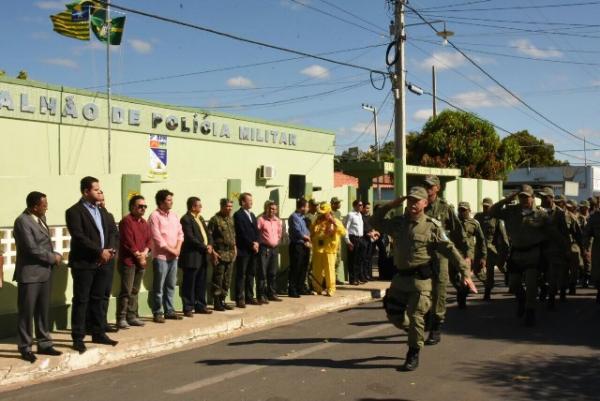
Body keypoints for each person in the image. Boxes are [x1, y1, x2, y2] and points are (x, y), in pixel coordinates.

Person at [371, 186, 475, 371]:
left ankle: (413, 353)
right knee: (393, 314)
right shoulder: (398, 223)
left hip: (421, 281)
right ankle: (414, 330)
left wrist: (465, 272)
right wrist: (394, 203)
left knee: (416, 315)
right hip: (400, 279)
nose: (412, 203)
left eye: (416, 200)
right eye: (410, 200)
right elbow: (375, 220)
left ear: (425, 203)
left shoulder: (432, 226)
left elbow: (450, 250)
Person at [489, 184, 564, 326]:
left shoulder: (541, 214)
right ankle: (521, 299)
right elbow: (492, 212)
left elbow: (554, 233)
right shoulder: (511, 211)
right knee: (514, 284)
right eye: (521, 196)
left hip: (533, 253)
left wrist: (564, 248)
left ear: (533, 197)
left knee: (531, 284)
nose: (524, 199)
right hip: (516, 253)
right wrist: (507, 199)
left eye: (527, 197)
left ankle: (530, 311)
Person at [66, 176, 119, 353]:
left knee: (98, 299)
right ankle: (78, 337)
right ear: (86, 192)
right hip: (84, 263)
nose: (99, 191)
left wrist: (110, 250)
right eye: (95, 189)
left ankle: (98, 332)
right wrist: (99, 251)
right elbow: (79, 237)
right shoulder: (74, 211)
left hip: (103, 262)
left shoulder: (102, 211)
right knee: (82, 300)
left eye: (99, 189)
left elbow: (112, 231)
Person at [13, 191, 63, 363]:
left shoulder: (40, 218)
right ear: (34, 207)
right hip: (30, 274)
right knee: (27, 313)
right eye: (44, 205)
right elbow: (31, 248)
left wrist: (54, 253)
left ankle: (44, 343)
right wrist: (53, 257)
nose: (46, 208)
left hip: (45, 273)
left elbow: (44, 244)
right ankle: (25, 347)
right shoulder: (22, 222)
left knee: (43, 311)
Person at [422, 175, 469, 346]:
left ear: (437, 188)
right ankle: (427, 316)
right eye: (425, 185)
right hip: (423, 256)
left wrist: (465, 254)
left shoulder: (445, 208)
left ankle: (436, 326)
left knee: (440, 290)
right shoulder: (418, 206)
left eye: (430, 186)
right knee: (424, 291)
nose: (427, 188)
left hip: (441, 256)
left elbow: (457, 231)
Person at [148, 189, 184, 323]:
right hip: (161, 257)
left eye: (171, 199)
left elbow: (180, 233)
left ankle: (169, 310)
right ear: (161, 202)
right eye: (168, 200)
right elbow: (157, 238)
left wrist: (178, 248)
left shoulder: (174, 215)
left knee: (170, 284)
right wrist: (172, 250)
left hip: (173, 257)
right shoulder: (154, 216)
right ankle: (158, 312)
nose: (171, 202)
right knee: (159, 286)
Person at [116, 195, 151, 329]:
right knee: (126, 290)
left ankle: (132, 316)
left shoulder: (144, 223)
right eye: (140, 206)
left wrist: (145, 253)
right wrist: (139, 255)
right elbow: (127, 242)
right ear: (132, 207)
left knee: (135, 290)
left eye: (144, 206)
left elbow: (149, 240)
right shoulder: (126, 221)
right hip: (129, 262)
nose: (143, 209)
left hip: (141, 261)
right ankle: (121, 318)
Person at [537, 187, 572, 308]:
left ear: (551, 198)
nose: (542, 199)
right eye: (541, 197)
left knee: (553, 274)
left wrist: (567, 249)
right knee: (537, 273)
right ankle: (543, 289)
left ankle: (552, 297)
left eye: (545, 197)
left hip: (555, 249)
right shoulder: (537, 211)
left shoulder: (559, 213)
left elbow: (565, 233)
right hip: (539, 248)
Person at [180, 197, 214, 317]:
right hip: (192, 256)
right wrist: (204, 247)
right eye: (199, 205)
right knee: (189, 283)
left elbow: (208, 234)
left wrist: (210, 244)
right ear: (193, 207)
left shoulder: (200, 218)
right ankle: (188, 307)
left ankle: (200, 305)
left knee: (201, 282)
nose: (201, 207)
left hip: (203, 256)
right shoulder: (186, 219)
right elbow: (190, 238)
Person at [474, 197, 510, 300]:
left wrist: (506, 248)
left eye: (488, 206)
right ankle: (488, 283)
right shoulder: (478, 216)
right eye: (484, 206)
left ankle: (487, 292)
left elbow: (503, 235)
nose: (486, 208)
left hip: (491, 248)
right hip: (479, 248)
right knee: (476, 270)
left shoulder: (496, 218)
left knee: (491, 270)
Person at [454, 201, 487, 309]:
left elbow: (481, 240)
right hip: (455, 253)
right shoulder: (454, 222)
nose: (462, 212)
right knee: (454, 277)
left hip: (468, 254)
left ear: (469, 210)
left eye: (464, 210)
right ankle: (461, 291)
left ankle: (462, 298)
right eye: (460, 210)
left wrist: (483, 256)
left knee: (465, 277)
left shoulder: (474, 223)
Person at [95, 193, 119, 334]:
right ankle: (94, 323)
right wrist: (101, 252)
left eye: (103, 200)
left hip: (109, 259)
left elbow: (115, 235)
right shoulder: (91, 217)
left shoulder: (108, 215)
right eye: (99, 200)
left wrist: (111, 251)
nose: (101, 202)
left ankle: (103, 322)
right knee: (95, 295)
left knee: (105, 293)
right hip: (97, 258)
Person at [310, 202, 346, 296]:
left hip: (329, 250)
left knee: (329, 271)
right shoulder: (317, 221)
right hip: (318, 249)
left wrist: (333, 223)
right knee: (317, 270)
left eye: (324, 212)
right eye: (321, 212)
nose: (321, 214)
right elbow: (312, 233)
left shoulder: (336, 221)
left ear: (329, 212)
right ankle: (317, 288)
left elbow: (343, 232)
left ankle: (331, 289)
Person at [233, 193, 260, 308]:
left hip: (253, 250)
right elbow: (241, 233)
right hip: (244, 249)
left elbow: (256, 231)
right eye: (249, 200)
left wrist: (257, 242)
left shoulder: (252, 215)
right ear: (243, 202)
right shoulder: (238, 215)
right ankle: (240, 298)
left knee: (251, 274)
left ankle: (249, 296)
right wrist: (251, 244)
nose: (251, 202)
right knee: (241, 275)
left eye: (251, 200)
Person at [208, 198, 235, 311]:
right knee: (218, 278)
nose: (229, 209)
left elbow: (233, 235)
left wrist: (235, 249)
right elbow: (209, 238)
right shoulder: (215, 220)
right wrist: (213, 253)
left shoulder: (230, 219)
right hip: (219, 253)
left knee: (227, 279)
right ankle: (217, 302)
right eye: (227, 206)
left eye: (230, 206)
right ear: (222, 206)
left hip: (230, 253)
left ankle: (223, 300)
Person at [257, 201, 283, 303]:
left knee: (273, 273)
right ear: (266, 209)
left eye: (274, 209)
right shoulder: (261, 219)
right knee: (262, 273)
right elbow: (256, 232)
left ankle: (272, 293)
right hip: (264, 248)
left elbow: (279, 234)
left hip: (274, 249)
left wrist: (276, 242)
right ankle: (261, 295)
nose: (272, 211)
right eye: (270, 208)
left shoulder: (278, 221)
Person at [288, 198, 312, 298]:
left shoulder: (303, 218)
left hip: (305, 246)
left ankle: (300, 287)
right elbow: (297, 231)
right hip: (297, 245)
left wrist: (308, 238)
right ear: (302, 207)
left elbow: (306, 231)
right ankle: (292, 289)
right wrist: (306, 238)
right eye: (307, 206)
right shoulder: (294, 217)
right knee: (296, 268)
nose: (308, 208)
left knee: (303, 268)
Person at [344, 199, 366, 285]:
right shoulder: (350, 215)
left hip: (360, 238)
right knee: (352, 259)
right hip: (353, 238)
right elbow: (346, 228)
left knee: (359, 259)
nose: (361, 207)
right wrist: (348, 241)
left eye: (362, 205)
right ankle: (352, 279)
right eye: (359, 205)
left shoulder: (360, 215)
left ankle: (357, 277)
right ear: (355, 206)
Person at [565, 199, 583, 295]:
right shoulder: (562, 215)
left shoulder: (575, 217)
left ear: (575, 207)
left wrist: (583, 248)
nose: (568, 207)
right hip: (563, 245)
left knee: (574, 267)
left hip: (573, 245)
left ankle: (572, 285)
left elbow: (578, 234)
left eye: (570, 206)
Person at [361, 202, 380, 281]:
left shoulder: (370, 217)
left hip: (371, 240)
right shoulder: (361, 217)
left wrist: (375, 232)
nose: (368, 209)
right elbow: (362, 228)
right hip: (363, 239)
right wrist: (368, 233)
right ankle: (363, 275)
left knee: (369, 258)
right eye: (366, 208)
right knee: (364, 258)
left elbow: (372, 227)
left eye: (369, 208)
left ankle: (369, 274)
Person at [331, 197, 345, 285]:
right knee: (331, 260)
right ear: (333, 204)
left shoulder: (339, 213)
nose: (339, 204)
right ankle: (329, 278)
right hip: (331, 240)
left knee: (338, 259)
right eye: (337, 203)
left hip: (338, 239)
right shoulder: (329, 213)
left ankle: (335, 277)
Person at [578, 200, 592, 288]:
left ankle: (587, 277)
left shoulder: (591, 217)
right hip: (580, 240)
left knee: (588, 260)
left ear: (587, 207)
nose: (581, 208)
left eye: (583, 207)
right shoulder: (578, 217)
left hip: (590, 241)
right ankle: (582, 275)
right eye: (581, 206)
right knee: (580, 261)